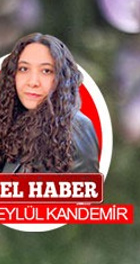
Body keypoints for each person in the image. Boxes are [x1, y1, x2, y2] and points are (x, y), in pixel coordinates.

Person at [0, 33, 100, 174]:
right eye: (23, 69)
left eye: (46, 71)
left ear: (61, 78)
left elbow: (85, 189)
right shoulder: (13, 123)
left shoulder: (77, 128)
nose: (33, 82)